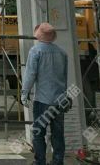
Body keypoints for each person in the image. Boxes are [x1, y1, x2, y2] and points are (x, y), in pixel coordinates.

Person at [21, 23, 68, 165]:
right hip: (59, 100)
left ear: (38, 35)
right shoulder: (62, 52)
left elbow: (30, 74)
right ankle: (58, 161)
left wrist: (24, 93)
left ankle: (40, 161)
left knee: (38, 132)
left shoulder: (35, 51)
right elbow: (64, 77)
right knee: (58, 133)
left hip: (43, 100)